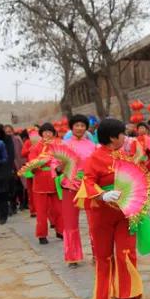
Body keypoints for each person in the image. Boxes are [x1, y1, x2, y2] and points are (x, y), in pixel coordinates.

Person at [80, 117, 143, 299]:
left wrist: (149, 192)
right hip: (102, 213)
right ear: (113, 137)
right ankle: (104, 294)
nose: (125, 137)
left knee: (126, 251)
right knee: (104, 255)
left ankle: (129, 293)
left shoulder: (124, 156)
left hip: (125, 212)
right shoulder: (94, 158)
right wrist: (102, 194)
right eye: (123, 133)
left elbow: (135, 180)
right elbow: (88, 182)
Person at [61, 114, 96, 266]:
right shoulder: (64, 144)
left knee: (94, 221)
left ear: (86, 128)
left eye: (83, 125)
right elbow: (55, 163)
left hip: (88, 185)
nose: (80, 128)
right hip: (69, 186)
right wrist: (60, 167)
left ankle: (97, 254)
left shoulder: (91, 145)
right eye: (77, 125)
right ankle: (72, 256)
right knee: (70, 222)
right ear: (72, 127)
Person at [27, 122, 62, 244]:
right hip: (40, 180)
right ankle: (42, 234)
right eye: (45, 131)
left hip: (54, 180)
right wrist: (39, 162)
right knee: (41, 211)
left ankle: (60, 231)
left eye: (50, 131)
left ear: (53, 133)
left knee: (58, 209)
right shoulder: (35, 148)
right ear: (41, 133)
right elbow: (31, 165)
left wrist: (60, 167)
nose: (48, 133)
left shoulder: (57, 146)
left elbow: (63, 162)